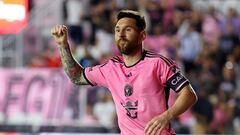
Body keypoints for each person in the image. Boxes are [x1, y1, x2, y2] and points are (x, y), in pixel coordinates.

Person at [51, 9, 198, 135]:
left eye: (128, 29)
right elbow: (76, 77)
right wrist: (63, 45)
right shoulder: (110, 68)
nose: (121, 34)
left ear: (142, 36)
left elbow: (189, 94)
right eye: (117, 30)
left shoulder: (158, 63)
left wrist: (166, 116)